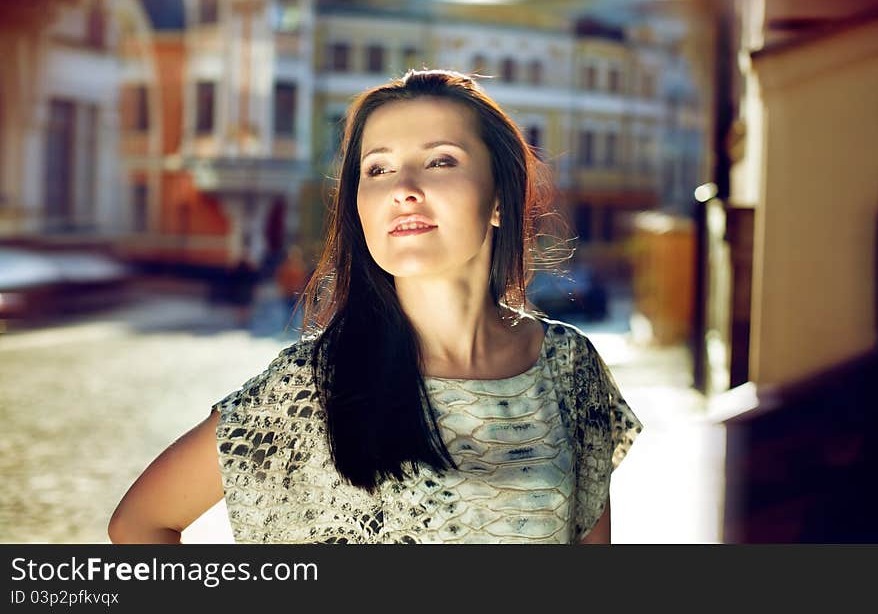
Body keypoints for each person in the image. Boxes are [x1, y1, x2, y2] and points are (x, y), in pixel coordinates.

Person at [108, 69, 642, 544]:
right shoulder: (311, 385)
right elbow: (139, 524)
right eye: (378, 169)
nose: (404, 188)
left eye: (439, 161)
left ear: (499, 198)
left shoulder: (569, 367)